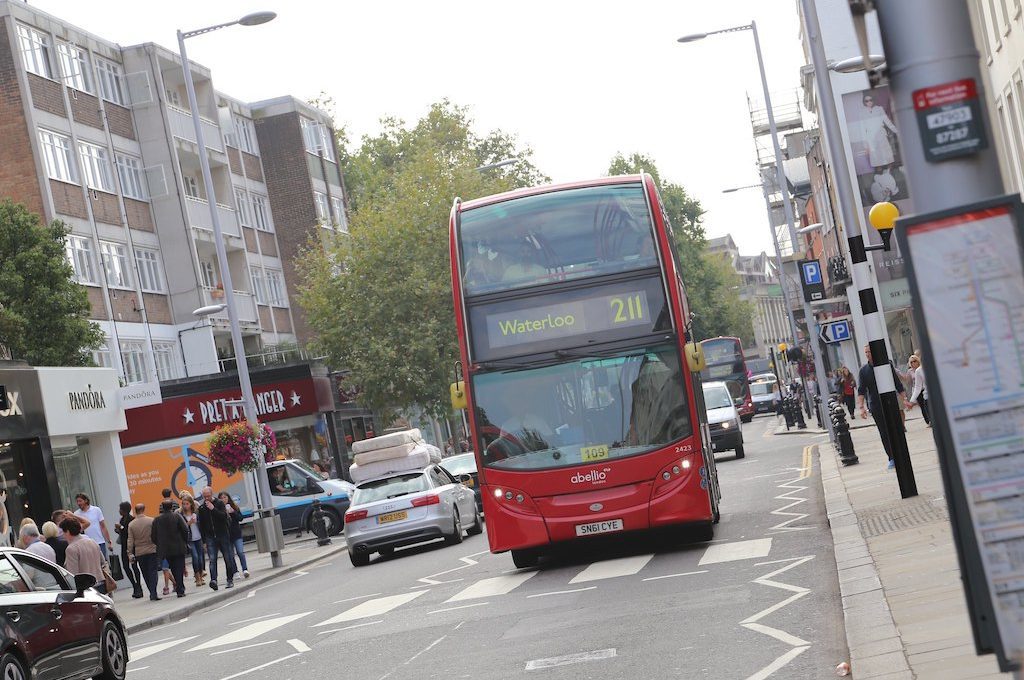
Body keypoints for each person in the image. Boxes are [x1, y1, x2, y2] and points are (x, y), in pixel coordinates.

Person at [857, 344, 906, 470]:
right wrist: (861, 407)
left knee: (897, 428)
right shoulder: (863, 371)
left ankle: (900, 453)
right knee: (884, 432)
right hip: (875, 405)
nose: (867, 354)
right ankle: (891, 457)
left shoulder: (886, 365)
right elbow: (861, 390)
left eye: (869, 352)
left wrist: (904, 399)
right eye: (866, 352)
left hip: (890, 402)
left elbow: (897, 383)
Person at [197, 486, 236, 590]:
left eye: (208, 496)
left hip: (222, 534)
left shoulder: (219, 503)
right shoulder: (201, 508)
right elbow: (201, 525)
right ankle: (213, 580)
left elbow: (223, 516)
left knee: (228, 558)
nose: (206, 499)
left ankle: (229, 580)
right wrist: (204, 541)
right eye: (204, 497)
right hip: (210, 537)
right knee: (212, 559)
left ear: (212, 494)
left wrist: (213, 509)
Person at [151, 500, 189, 598]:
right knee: (179, 568)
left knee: (172, 567)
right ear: (172, 507)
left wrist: (160, 544)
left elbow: (153, 536)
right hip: (178, 546)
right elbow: (185, 529)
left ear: (163, 508)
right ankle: (180, 588)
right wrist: (184, 541)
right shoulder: (177, 516)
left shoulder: (157, 520)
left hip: (166, 549)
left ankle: (179, 587)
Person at [60, 518, 106, 594]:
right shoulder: (92, 541)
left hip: (86, 587)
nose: (63, 535)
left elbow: (73, 573)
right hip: (100, 582)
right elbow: (102, 562)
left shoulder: (71, 549)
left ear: (67, 531)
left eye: (63, 532)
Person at [127, 503, 160, 601]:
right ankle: (153, 592)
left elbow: (130, 540)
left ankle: (151, 591)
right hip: (152, 549)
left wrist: (129, 552)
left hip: (139, 552)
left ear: (135, 510)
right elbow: (156, 535)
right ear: (144, 509)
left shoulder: (131, 524)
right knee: (153, 571)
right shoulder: (151, 521)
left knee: (145, 572)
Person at [858, 92, 899, 169]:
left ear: (873, 100)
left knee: (887, 155)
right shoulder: (862, 113)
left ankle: (890, 173)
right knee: (875, 158)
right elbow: (862, 128)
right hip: (870, 137)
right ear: (864, 102)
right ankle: (880, 175)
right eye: (866, 101)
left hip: (881, 134)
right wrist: (865, 144)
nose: (869, 102)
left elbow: (887, 121)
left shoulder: (879, 109)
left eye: (870, 100)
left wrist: (896, 131)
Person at [115, 501, 143, 599]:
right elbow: (122, 532)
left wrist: (121, 528)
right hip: (124, 546)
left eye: (120, 509)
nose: (119, 511)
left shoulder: (131, 519)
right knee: (126, 567)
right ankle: (134, 585)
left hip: (131, 546)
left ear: (124, 510)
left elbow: (129, 531)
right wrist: (118, 529)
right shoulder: (122, 519)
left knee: (134, 566)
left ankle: (138, 586)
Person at [219, 492, 249, 579]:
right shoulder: (219, 508)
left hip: (236, 533)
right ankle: (235, 571)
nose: (223, 499)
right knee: (230, 555)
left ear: (228, 498)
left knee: (240, 552)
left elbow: (240, 518)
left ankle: (245, 569)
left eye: (225, 497)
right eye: (221, 498)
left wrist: (233, 512)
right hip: (226, 535)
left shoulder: (234, 506)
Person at [73, 493, 111, 560]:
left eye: (80, 501)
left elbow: (103, 526)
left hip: (99, 541)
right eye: (77, 501)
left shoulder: (96, 510)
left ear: (86, 501)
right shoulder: (76, 514)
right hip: (86, 544)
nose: (78, 503)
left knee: (103, 563)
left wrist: (108, 541)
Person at [180, 496, 206, 587]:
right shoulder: (181, 515)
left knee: (200, 558)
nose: (185, 506)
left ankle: (201, 575)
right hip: (190, 539)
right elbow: (181, 528)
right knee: (195, 557)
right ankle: (197, 578)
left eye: (187, 504)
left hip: (198, 537)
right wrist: (189, 523)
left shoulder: (196, 513)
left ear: (191, 504)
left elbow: (202, 525)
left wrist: (204, 540)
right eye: (183, 504)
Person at [906, 354, 931, 426]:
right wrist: (911, 401)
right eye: (911, 362)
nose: (913, 363)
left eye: (915, 361)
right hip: (927, 397)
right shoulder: (919, 371)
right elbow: (917, 387)